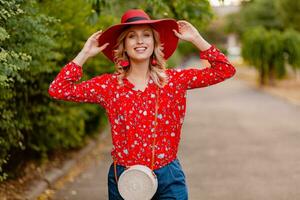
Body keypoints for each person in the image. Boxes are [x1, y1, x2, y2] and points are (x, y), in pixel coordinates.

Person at [48, 8, 236, 200]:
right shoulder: (109, 86)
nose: (140, 41)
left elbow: (225, 70)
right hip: (125, 179)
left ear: (154, 43)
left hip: (168, 178)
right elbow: (58, 89)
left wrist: (197, 39)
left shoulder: (173, 81)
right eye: (132, 36)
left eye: (146, 35)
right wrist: (85, 53)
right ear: (124, 45)